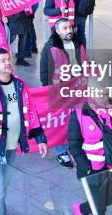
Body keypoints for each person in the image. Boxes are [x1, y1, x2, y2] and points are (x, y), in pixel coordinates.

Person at [0, 49, 48, 215]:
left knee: (0, 190)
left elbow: (31, 111)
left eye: (9, 59)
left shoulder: (20, 85)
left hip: (11, 146)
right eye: (3, 61)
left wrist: (40, 138)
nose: (8, 63)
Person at [68, 96, 112, 215]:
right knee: (99, 209)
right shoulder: (78, 114)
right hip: (91, 170)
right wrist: (87, 170)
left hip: (111, 167)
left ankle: (82, 209)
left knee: (107, 201)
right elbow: (73, 145)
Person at [40, 17, 89, 167]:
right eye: (65, 28)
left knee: (78, 117)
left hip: (78, 87)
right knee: (61, 121)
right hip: (60, 90)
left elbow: (84, 61)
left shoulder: (78, 42)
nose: (69, 31)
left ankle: (77, 145)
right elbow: (45, 72)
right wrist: (50, 91)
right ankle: (61, 152)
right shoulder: (50, 47)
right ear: (57, 30)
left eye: (70, 27)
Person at [6, 0, 32, 67]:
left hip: (25, 18)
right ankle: (2, 55)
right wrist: (12, 17)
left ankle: (20, 59)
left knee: (23, 39)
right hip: (15, 19)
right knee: (10, 39)